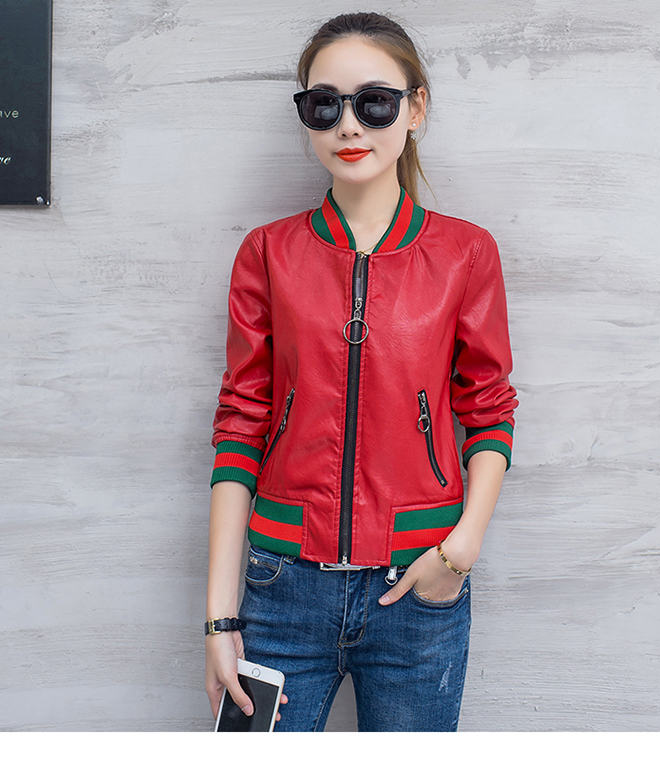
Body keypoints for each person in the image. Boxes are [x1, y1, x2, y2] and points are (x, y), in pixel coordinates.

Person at [204, 11, 517, 732]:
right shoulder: (268, 254)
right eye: (325, 105)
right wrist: (220, 617)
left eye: (373, 102)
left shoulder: (465, 254)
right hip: (280, 586)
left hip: (418, 590)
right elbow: (241, 423)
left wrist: (459, 551)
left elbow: (489, 407)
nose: (348, 125)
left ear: (416, 107)